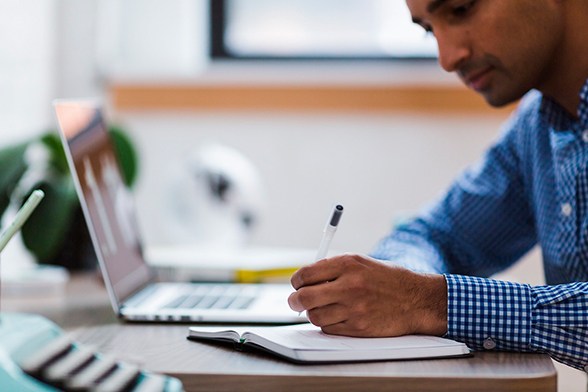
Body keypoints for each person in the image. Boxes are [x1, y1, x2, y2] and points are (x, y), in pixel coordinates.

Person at [288, 0, 588, 371]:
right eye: (429, 30)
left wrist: (429, 301)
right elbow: (436, 235)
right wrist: (395, 286)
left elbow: (425, 295)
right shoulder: (538, 126)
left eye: (461, 10)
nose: (447, 59)